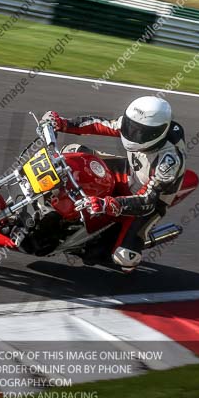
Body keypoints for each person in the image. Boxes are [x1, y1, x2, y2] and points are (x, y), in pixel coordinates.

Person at [42, 96, 186, 272]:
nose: (132, 134)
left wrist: (112, 204)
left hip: (151, 198)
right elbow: (99, 124)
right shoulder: (135, 124)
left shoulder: (169, 161)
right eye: (129, 127)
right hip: (129, 171)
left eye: (140, 132)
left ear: (158, 133)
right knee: (71, 153)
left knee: (125, 258)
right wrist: (62, 123)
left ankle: (123, 238)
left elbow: (148, 200)